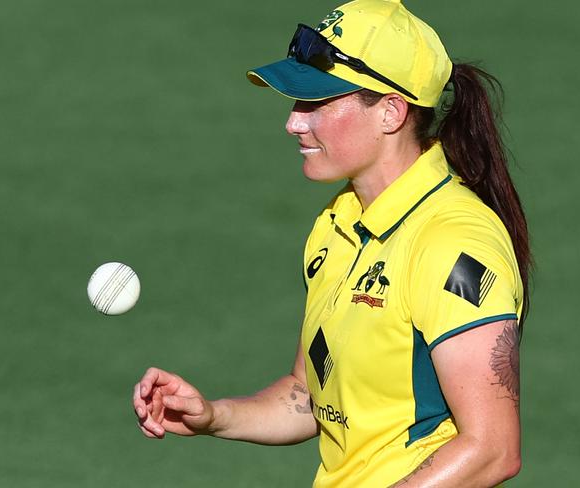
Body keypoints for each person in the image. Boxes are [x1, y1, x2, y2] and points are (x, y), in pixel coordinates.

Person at [133, 0, 531, 486]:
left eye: (315, 103)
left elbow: (492, 449)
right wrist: (215, 415)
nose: (294, 123)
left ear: (391, 111)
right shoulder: (338, 222)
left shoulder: (453, 243)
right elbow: (309, 395)